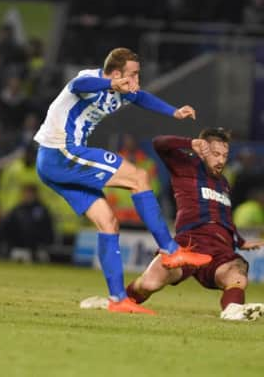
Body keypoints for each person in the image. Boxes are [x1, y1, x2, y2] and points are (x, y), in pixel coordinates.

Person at [34, 47, 212, 315]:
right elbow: (78, 84)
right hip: (61, 153)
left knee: (108, 223)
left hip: (58, 164)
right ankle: (170, 249)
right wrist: (110, 83)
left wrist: (174, 112)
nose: (137, 82)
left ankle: (118, 299)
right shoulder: (90, 82)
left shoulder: (126, 90)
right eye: (133, 75)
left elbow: (143, 98)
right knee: (139, 177)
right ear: (116, 74)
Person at [82, 129, 264, 321]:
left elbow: (223, 213)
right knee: (149, 284)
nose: (221, 160)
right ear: (202, 151)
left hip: (220, 248)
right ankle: (115, 301)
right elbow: (160, 142)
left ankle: (233, 309)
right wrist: (190, 142)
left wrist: (240, 241)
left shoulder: (224, 182)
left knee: (236, 273)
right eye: (216, 154)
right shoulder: (186, 167)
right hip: (189, 244)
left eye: (225, 155)